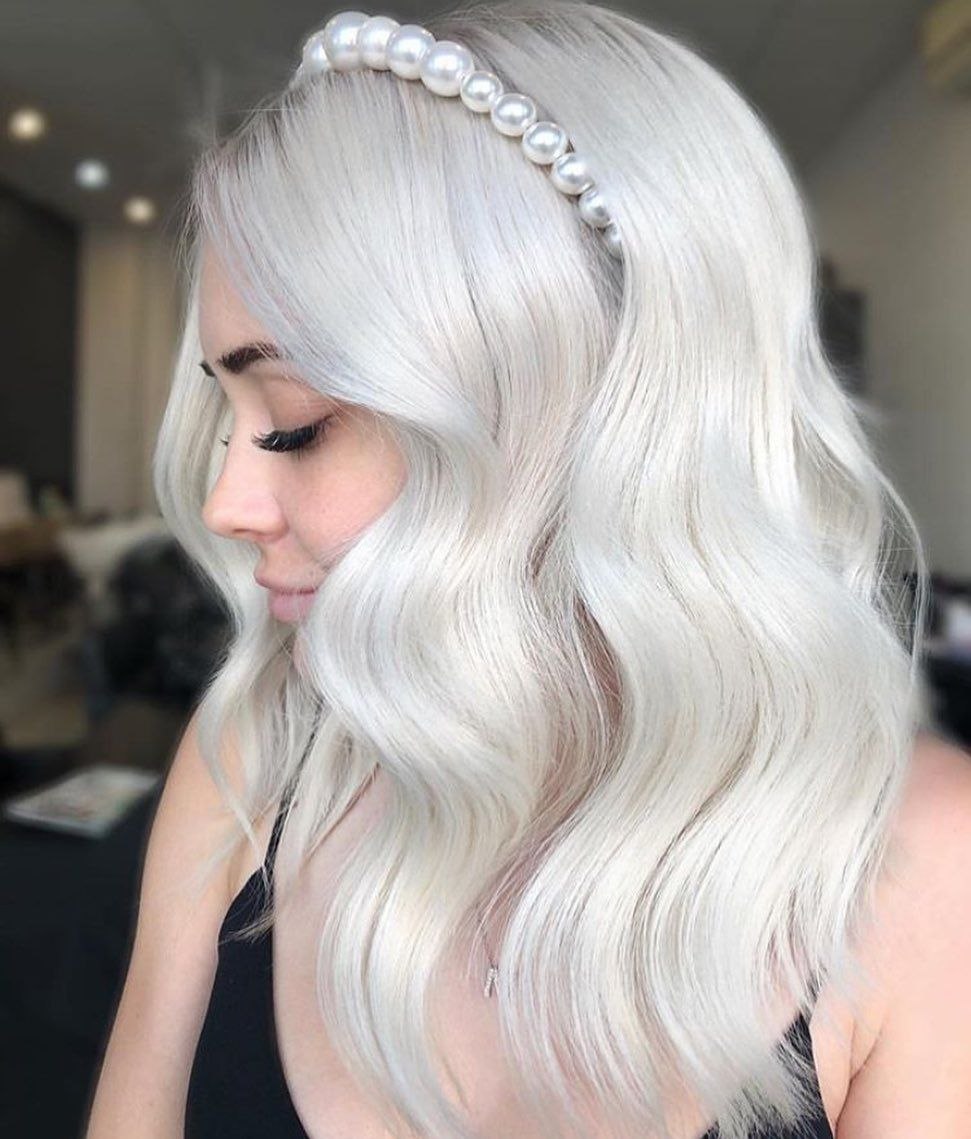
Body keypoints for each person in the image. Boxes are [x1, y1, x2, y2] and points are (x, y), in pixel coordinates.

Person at [84, 3, 971, 1137]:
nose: (226, 505)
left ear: (599, 412)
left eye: (297, 420)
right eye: (228, 415)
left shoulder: (916, 867)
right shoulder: (256, 754)